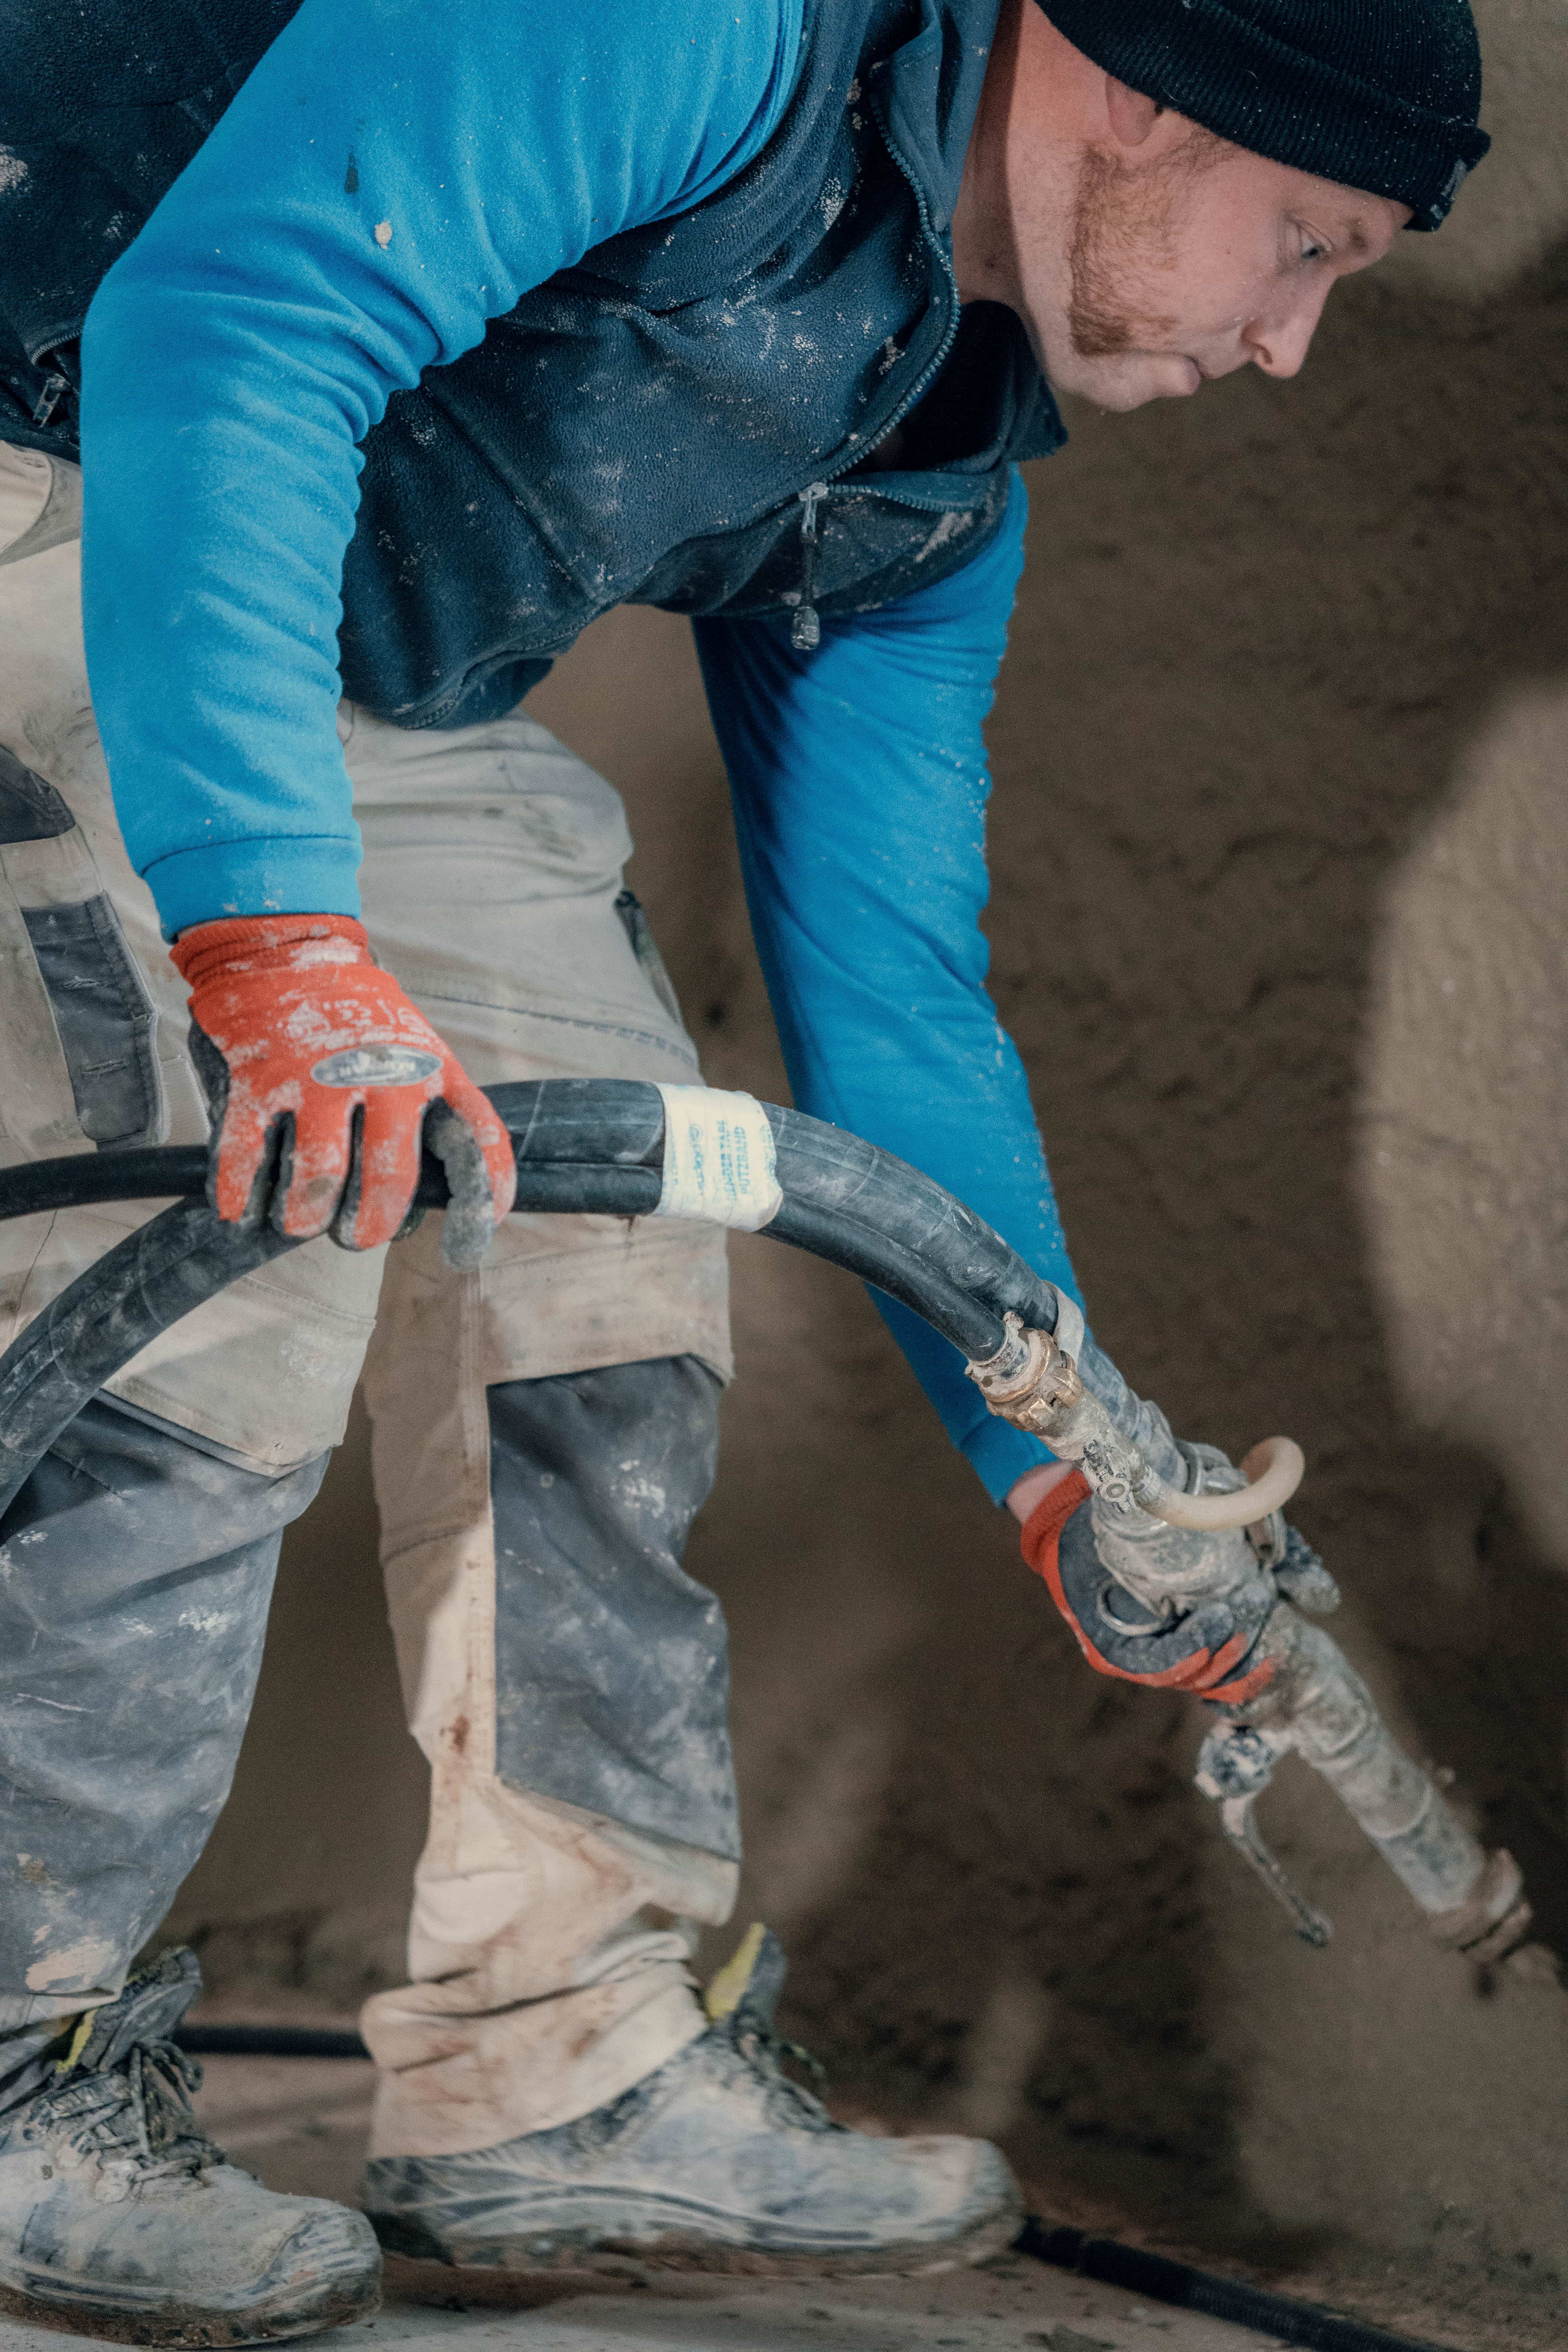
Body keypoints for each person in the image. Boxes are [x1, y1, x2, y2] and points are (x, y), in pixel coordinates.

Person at [0, 0, 1487, 2335]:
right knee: (235, 1252)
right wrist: (272, 938)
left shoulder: (931, 446)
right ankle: (11, 2053)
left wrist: (1068, 1458)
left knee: (616, 1253)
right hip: (71, 457)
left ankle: (563, 2061)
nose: (1294, 344)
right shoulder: (702, 24)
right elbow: (234, 311)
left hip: (322, 635)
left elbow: (891, 1003)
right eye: (1300, 246)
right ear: (1138, 95)